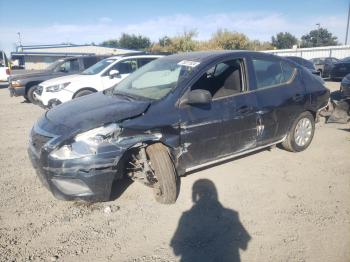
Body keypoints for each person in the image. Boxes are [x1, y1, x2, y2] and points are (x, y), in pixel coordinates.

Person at [170, 179, 251, 262]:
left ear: (194, 196)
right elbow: (244, 244)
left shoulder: (186, 217)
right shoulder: (232, 214)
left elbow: (176, 251)